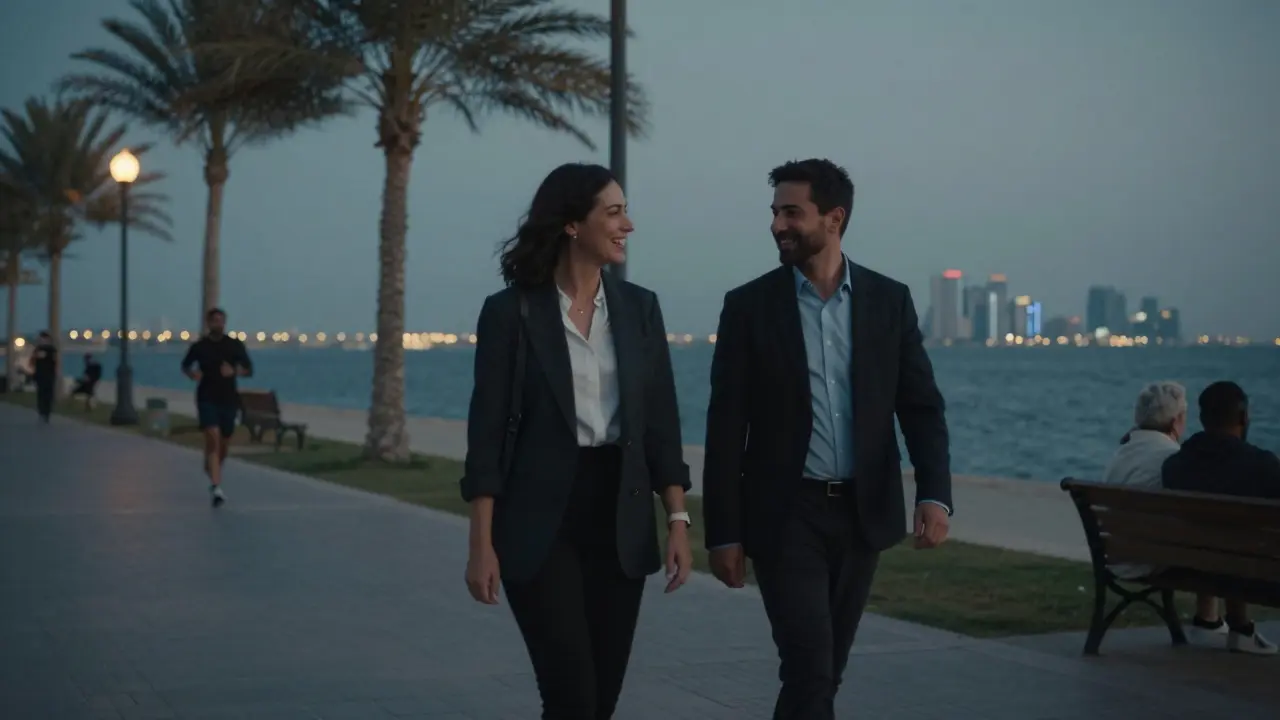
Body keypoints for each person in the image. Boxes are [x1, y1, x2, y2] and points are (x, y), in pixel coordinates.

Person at [702, 158, 953, 719]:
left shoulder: (889, 301)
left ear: (834, 218)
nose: (777, 225)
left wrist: (934, 494)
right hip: (784, 514)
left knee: (825, 670)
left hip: (862, 514)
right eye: (774, 213)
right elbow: (724, 427)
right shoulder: (748, 307)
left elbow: (920, 406)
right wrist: (723, 532)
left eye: (792, 213)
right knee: (810, 667)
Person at [461, 162, 694, 719]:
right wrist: (480, 543)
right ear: (571, 224)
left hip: (620, 517)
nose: (627, 225)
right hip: (539, 523)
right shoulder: (510, 312)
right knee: (570, 696)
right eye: (613, 213)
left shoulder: (640, 309)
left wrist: (678, 521)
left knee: (601, 699)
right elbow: (487, 432)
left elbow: (660, 423)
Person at [1100, 382, 1226, 640]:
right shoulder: (1172, 457)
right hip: (1150, 560)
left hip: (1115, 557)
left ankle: (1209, 620)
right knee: (1215, 530)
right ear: (1177, 420)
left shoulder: (1120, 455)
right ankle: (1208, 619)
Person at [1162, 380, 1278, 655]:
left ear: (1201, 419)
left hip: (1192, 566)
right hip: (1257, 571)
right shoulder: (1262, 466)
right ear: (1242, 417)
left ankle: (1228, 623)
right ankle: (1240, 627)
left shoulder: (1175, 465)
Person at [181, 308, 253, 507]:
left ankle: (212, 468)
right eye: (214, 321)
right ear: (208, 323)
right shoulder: (199, 346)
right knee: (212, 436)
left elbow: (249, 369)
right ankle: (216, 486)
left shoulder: (234, 345)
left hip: (228, 399)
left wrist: (234, 371)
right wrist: (192, 374)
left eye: (221, 321)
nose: (218, 324)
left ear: (225, 323)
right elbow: (185, 365)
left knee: (224, 442)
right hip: (206, 397)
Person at [29, 331, 58, 423]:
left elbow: (56, 361)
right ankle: (42, 412)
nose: (42, 341)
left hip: (49, 375)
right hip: (40, 375)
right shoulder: (37, 349)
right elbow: (32, 362)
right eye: (41, 339)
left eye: (43, 339)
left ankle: (47, 412)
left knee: (48, 394)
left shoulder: (52, 349)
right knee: (41, 394)